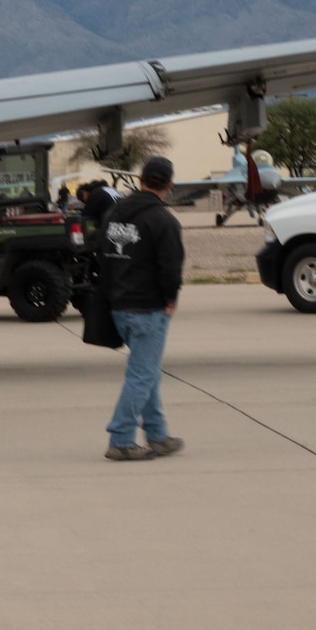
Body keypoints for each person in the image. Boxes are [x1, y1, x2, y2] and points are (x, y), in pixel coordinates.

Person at [100, 155, 186, 462]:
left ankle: (157, 434)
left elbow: (102, 257)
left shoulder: (114, 214)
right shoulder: (163, 220)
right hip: (148, 308)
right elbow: (170, 268)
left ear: (140, 179)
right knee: (142, 374)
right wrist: (171, 299)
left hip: (119, 305)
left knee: (147, 372)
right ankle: (121, 439)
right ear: (169, 185)